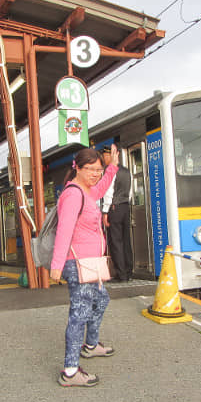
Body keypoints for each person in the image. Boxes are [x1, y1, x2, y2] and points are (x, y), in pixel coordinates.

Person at [50, 145, 119, 387]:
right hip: (78, 263)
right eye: (89, 169)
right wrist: (56, 266)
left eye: (98, 170)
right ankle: (70, 371)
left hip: (91, 264)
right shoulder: (73, 195)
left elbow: (100, 189)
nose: (94, 174)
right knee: (78, 316)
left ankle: (90, 345)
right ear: (76, 168)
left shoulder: (87, 191)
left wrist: (112, 168)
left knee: (102, 300)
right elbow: (64, 231)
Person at [101, 145, 133, 282]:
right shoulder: (127, 171)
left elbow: (108, 193)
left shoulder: (110, 171)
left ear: (110, 156)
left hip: (114, 207)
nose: (104, 158)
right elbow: (130, 192)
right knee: (126, 240)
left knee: (116, 241)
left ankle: (121, 275)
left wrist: (105, 211)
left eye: (105, 156)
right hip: (126, 207)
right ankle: (128, 271)